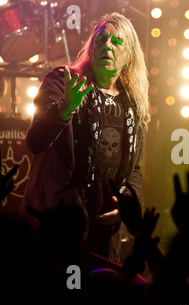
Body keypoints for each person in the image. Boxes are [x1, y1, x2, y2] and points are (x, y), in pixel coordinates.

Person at [22, 12, 150, 263]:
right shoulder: (63, 80)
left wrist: (126, 201)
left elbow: (134, 169)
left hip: (104, 230)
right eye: (101, 40)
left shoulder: (132, 104)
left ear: (130, 55)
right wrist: (64, 108)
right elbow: (35, 141)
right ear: (91, 47)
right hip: (61, 224)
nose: (107, 46)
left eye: (117, 42)